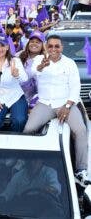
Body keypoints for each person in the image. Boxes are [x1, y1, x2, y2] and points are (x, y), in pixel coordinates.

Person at [23, 35, 89, 187]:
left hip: (65, 103)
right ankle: (29, 165)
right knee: (28, 129)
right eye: (50, 46)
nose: (53, 49)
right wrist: (41, 67)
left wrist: (67, 107)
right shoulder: (40, 60)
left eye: (56, 46)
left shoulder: (70, 63)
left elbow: (75, 87)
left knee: (80, 131)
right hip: (45, 103)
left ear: (62, 47)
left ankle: (81, 170)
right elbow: (31, 73)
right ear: (46, 47)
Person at [0, 33, 28, 132]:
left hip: (16, 97)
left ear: (7, 47)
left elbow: (24, 79)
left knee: (19, 120)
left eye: (2, 45)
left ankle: (14, 142)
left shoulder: (15, 60)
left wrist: (16, 75)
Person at [18, 30, 46, 108]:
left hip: (39, 98)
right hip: (19, 96)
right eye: (32, 41)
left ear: (43, 45)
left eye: (38, 42)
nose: (34, 44)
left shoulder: (46, 59)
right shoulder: (19, 56)